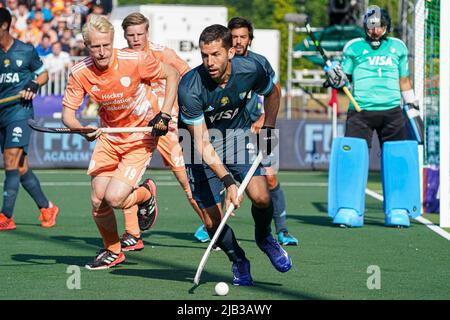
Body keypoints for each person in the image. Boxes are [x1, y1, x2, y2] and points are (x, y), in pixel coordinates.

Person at [61, 14, 180, 270]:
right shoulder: (81, 72)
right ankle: (113, 251)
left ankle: (146, 193)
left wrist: (165, 113)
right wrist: (81, 128)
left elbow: (172, 75)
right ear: (86, 45)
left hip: (139, 135)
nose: (102, 52)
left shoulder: (134, 60)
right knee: (97, 199)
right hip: (109, 137)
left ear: (113, 41)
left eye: (106, 45)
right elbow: (68, 115)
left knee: (114, 198)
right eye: (95, 46)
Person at [178, 24, 292, 286]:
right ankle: (238, 258)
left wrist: (269, 128)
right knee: (211, 222)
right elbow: (203, 143)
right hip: (198, 148)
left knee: (262, 197)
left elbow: (273, 93)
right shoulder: (190, 87)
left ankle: (264, 237)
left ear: (231, 52)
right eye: (204, 55)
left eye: (216, 54)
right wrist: (228, 181)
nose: (209, 62)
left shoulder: (251, 68)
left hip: (237, 138)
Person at [193, 17, 299, 246]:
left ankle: (280, 230)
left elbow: (273, 92)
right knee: (221, 177)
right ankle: (213, 223)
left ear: (250, 39)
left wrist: (264, 121)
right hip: (224, 133)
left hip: (257, 128)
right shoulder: (214, 71)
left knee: (268, 180)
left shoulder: (259, 63)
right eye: (235, 37)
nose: (239, 41)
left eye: (243, 37)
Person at [324, 6, 419, 226]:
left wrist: (411, 104)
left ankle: (397, 209)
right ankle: (349, 209)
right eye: (371, 27)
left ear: (387, 27)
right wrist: (335, 78)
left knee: (396, 158)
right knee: (352, 158)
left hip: (392, 111)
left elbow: (403, 80)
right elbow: (343, 80)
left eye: (380, 27)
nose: (375, 32)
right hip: (360, 111)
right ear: (365, 27)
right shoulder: (354, 47)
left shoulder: (398, 47)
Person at [119, 12, 204, 251]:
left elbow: (189, 77)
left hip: (169, 126)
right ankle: (133, 235)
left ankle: (213, 228)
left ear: (147, 33)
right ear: (125, 36)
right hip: (138, 127)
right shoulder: (121, 58)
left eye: (140, 34)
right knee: (126, 178)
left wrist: (184, 111)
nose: (136, 39)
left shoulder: (163, 54)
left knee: (188, 183)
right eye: (130, 35)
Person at [0, 7, 59, 231]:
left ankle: (6, 215)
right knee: (21, 168)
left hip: (20, 113)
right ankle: (47, 207)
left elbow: (43, 74)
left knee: (10, 160)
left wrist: (34, 84)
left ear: (4, 26)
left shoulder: (25, 50)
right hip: (2, 114)